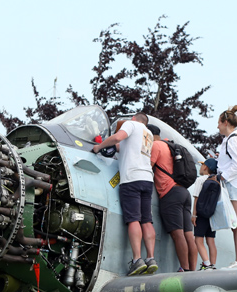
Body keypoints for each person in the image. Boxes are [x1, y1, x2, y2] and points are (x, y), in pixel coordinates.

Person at [91, 113, 157, 276]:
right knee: (147, 221)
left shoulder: (131, 124)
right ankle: (151, 259)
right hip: (147, 179)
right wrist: (113, 146)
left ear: (134, 118)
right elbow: (122, 146)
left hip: (131, 178)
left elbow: (118, 137)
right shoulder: (148, 133)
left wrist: (98, 147)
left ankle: (137, 260)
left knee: (133, 219)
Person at [149, 128, 197, 271]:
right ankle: (192, 271)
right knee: (188, 235)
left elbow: (148, 166)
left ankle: (184, 268)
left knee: (177, 234)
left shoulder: (156, 145)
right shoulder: (171, 146)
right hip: (184, 192)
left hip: (170, 193)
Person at [215, 105, 237, 268]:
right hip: (233, 184)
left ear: (225, 122)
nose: (217, 126)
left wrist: (222, 176)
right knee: (236, 224)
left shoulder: (234, 139)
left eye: (219, 123)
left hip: (235, 185)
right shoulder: (230, 139)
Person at [190, 158, 219, 270]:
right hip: (212, 214)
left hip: (201, 214)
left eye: (202, 165)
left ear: (206, 167)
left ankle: (206, 263)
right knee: (211, 240)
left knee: (198, 239)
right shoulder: (217, 180)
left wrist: (194, 215)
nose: (201, 167)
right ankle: (213, 265)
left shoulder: (201, 179)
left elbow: (196, 197)